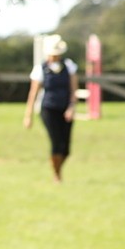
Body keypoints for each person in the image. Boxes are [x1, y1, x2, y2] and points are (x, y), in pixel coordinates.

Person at [23, 34, 79, 182]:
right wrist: (28, 115)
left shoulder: (69, 66)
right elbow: (33, 93)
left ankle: (58, 168)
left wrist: (72, 106)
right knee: (56, 142)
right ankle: (57, 175)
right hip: (48, 108)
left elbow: (73, 89)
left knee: (66, 148)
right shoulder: (40, 69)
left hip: (65, 108)